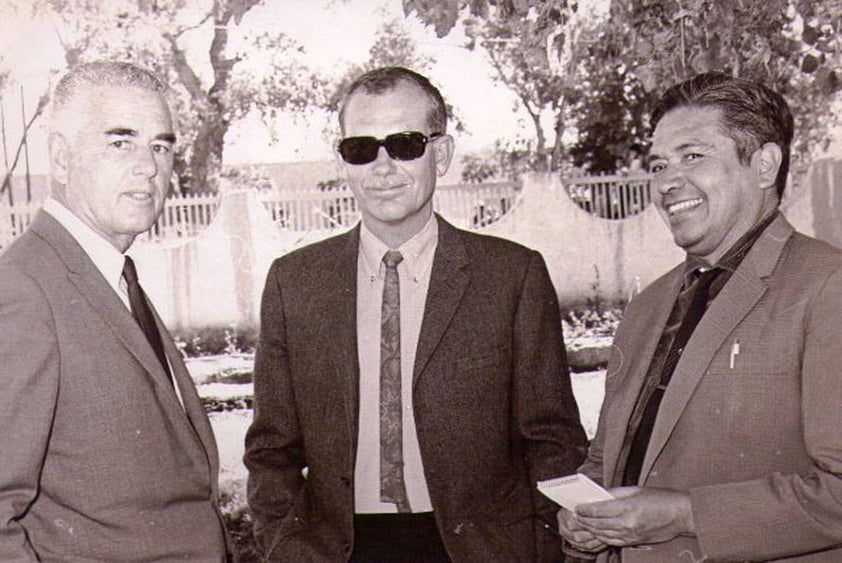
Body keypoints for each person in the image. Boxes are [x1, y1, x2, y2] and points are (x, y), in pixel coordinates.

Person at [245, 66, 587, 562]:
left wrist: (538, 546)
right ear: (343, 162)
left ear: (441, 153)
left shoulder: (512, 276)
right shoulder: (294, 282)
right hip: (338, 550)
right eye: (361, 149)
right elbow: (271, 449)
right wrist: (287, 546)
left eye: (405, 144)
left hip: (479, 550)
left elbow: (552, 440)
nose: (382, 167)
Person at [557, 71, 842, 561]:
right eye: (659, 163)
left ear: (764, 164)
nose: (667, 181)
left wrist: (686, 514)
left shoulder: (826, 285)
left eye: (693, 156)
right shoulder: (648, 306)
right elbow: (609, 456)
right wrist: (581, 514)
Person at [0, 61, 229, 560]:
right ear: (60, 158)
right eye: (120, 142)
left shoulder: (110, 273)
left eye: (161, 146)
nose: (149, 166)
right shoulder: (24, 289)